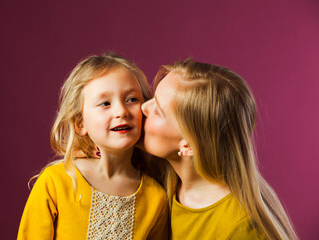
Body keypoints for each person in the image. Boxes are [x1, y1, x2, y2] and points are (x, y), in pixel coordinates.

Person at [140, 58, 298, 240]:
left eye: (158, 111)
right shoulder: (161, 182)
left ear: (188, 145)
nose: (144, 107)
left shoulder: (241, 228)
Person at [17, 53, 168, 240]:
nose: (121, 111)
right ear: (80, 124)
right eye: (105, 103)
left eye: (131, 99)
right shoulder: (56, 182)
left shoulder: (155, 197)